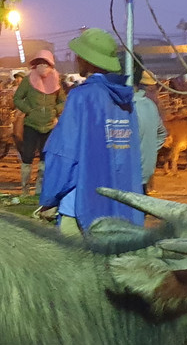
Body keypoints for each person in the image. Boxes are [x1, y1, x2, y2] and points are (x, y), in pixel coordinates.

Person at [38, 29, 143, 234]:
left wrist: (49, 197)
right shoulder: (125, 101)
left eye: (79, 55)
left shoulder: (81, 96)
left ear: (88, 61)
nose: (76, 59)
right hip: (121, 210)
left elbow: (63, 154)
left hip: (81, 207)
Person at [12, 50, 65, 199]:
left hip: (48, 126)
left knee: (44, 157)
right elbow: (17, 98)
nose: (43, 67)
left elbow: (62, 101)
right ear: (35, 65)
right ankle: (24, 190)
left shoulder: (56, 81)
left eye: (46, 64)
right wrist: (29, 110)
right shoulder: (28, 80)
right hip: (31, 124)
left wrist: (55, 111)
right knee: (27, 156)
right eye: (40, 63)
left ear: (51, 65)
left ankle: (39, 190)